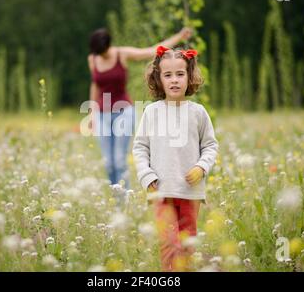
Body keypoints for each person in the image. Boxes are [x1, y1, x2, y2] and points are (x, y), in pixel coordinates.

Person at [132, 45, 219, 271]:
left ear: (189, 77)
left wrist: (201, 166)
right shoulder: (152, 112)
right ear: (158, 79)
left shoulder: (198, 112)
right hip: (161, 189)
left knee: (187, 241)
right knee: (168, 243)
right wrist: (146, 175)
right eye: (167, 75)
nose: (174, 80)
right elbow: (140, 147)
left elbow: (210, 145)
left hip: (190, 191)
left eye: (180, 74)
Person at [87, 27, 192, 199]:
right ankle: (116, 200)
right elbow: (95, 85)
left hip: (123, 112)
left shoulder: (122, 54)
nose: (102, 56)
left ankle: (124, 202)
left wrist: (178, 37)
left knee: (120, 161)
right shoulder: (93, 58)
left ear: (109, 45)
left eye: (104, 52)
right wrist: (91, 113)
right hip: (102, 114)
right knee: (109, 164)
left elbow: (152, 51)